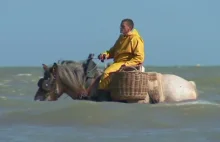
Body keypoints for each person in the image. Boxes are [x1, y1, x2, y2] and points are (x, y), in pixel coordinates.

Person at [97, 18, 145, 97]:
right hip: (117, 63)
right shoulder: (121, 38)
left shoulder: (135, 39)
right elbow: (112, 51)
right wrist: (104, 55)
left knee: (106, 72)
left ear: (129, 28)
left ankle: (103, 95)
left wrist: (127, 64)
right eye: (120, 26)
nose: (120, 28)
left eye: (123, 26)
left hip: (125, 63)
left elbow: (139, 57)